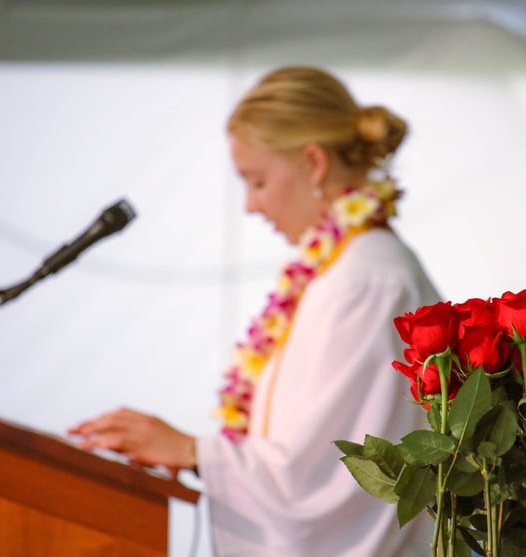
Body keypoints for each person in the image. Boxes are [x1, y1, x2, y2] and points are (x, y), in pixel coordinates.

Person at [69, 66, 441, 557]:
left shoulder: (367, 280)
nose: (249, 205)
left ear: (313, 163)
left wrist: (192, 451)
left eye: (257, 180)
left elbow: (333, 473)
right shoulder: (338, 270)